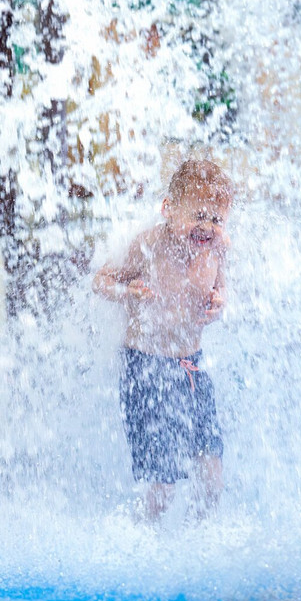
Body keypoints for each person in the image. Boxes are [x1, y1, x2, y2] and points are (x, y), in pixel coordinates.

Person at [92, 159, 234, 522]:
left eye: (216, 219)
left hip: (192, 369)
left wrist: (219, 303)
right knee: (163, 486)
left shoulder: (216, 249)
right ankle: (143, 542)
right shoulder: (149, 245)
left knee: (212, 475)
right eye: (198, 215)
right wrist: (128, 291)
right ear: (169, 210)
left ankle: (196, 545)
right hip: (147, 369)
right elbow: (102, 280)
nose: (207, 227)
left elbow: (221, 292)